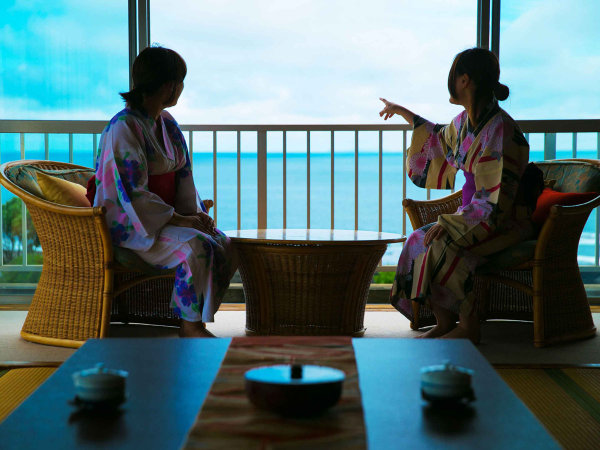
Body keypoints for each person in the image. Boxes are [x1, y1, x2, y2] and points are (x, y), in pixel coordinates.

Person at [379, 47, 533, 344]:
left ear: (465, 80)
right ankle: (445, 320)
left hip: (502, 219)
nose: (450, 82)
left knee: (442, 243)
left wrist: (452, 222)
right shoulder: (463, 122)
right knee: (417, 239)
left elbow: (494, 200)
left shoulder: (500, 130)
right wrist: (402, 112)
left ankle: (469, 323)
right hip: (473, 215)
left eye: (453, 75)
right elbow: (436, 137)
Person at [91, 46, 237, 337]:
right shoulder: (123, 127)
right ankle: (190, 325)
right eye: (180, 82)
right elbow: (131, 193)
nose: (181, 89)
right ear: (170, 85)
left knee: (228, 245)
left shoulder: (167, 124)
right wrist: (182, 221)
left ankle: (196, 316)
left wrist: (195, 214)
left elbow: (183, 177)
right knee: (197, 246)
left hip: (163, 218)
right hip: (131, 224)